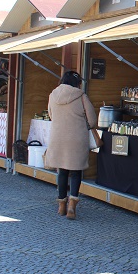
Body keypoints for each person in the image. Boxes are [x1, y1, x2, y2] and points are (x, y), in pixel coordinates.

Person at [45, 71, 96, 220]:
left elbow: (51, 115)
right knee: (75, 172)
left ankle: (61, 205)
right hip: (77, 138)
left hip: (58, 138)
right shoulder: (81, 97)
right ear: (77, 83)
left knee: (62, 171)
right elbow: (92, 121)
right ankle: (72, 205)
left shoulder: (52, 95)